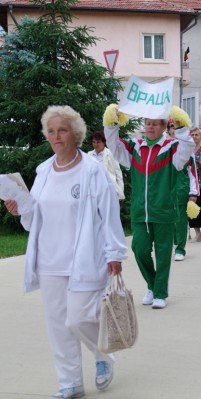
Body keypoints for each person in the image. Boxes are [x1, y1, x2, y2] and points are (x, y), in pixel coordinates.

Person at [3, 105, 127, 398]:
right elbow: (35, 216)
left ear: (76, 134)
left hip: (85, 258)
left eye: (62, 130)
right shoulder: (43, 171)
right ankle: (69, 382)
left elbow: (109, 214)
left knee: (79, 318)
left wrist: (115, 253)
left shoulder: (92, 171)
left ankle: (103, 355)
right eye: (51, 131)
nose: (56, 136)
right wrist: (20, 207)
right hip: (49, 260)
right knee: (58, 325)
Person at [105, 106, 195, 310]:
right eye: (148, 123)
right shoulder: (135, 147)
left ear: (164, 126)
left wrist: (181, 127)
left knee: (163, 254)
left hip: (163, 211)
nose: (150, 126)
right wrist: (112, 122)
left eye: (155, 123)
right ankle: (152, 285)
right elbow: (113, 145)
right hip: (140, 211)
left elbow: (187, 147)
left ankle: (160, 293)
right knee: (140, 249)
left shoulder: (172, 148)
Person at [166, 122, 199, 261]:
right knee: (169, 221)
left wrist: (193, 193)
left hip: (181, 191)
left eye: (176, 127)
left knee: (180, 221)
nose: (174, 130)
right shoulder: (164, 149)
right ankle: (173, 244)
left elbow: (193, 175)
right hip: (166, 192)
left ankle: (180, 248)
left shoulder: (187, 152)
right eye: (172, 127)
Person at [88, 131, 125, 200]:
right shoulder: (89, 155)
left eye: (98, 142)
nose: (95, 144)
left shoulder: (111, 154)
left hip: (108, 190)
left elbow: (118, 173)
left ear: (104, 142)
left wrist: (120, 192)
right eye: (94, 142)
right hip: (93, 191)